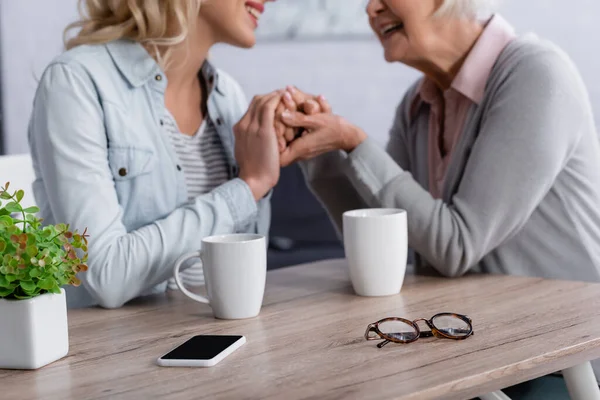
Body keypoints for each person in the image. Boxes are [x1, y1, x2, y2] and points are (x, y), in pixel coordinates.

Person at [276, 0, 600, 395]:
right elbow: (383, 248)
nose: (371, 8)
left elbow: (456, 244)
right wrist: (321, 153)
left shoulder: (536, 74)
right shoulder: (418, 104)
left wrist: (355, 143)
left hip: (565, 363)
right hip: (478, 352)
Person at [28, 0, 294, 309]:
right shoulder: (76, 82)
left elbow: (243, 269)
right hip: (112, 351)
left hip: (218, 341)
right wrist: (249, 186)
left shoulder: (227, 95)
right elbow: (106, 275)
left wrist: (270, 157)